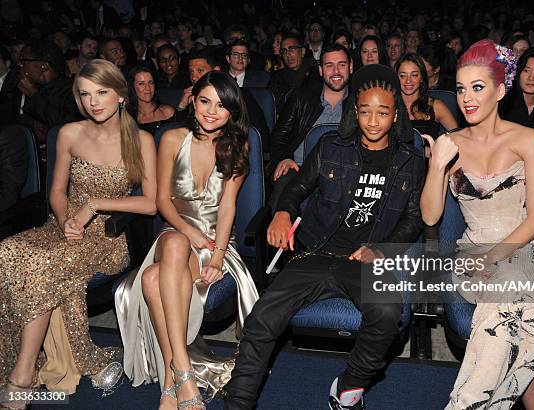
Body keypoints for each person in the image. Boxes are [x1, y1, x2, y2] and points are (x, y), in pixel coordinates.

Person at [224, 64, 425, 409]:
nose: (373, 121)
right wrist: (283, 212)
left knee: (389, 311)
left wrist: (381, 249)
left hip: (362, 259)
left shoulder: (410, 161)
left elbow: (413, 218)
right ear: (354, 112)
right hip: (315, 253)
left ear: (396, 116)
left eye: (382, 113)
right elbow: (297, 188)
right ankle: (238, 403)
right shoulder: (331, 147)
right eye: (365, 112)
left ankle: (349, 386)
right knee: (262, 317)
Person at [419, 39, 534, 409]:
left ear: (500, 90)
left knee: (514, 302)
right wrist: (436, 166)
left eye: (477, 87)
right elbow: (430, 216)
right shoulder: (450, 143)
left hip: (525, 247)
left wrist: (495, 256)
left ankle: (467, 403)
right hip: (473, 254)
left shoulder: (527, 139)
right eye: (462, 88)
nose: (467, 98)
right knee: (529, 311)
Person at [0, 58, 157, 407]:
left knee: (40, 266)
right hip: (63, 226)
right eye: (85, 94)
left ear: (120, 95)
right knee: (7, 250)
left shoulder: (140, 139)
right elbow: (56, 191)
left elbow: (150, 204)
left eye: (102, 92)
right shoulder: (69, 133)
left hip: (109, 237)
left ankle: (20, 378)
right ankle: (17, 357)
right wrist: (65, 220)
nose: (93, 101)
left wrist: (94, 206)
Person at [115, 71, 259, 410]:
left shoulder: (239, 144)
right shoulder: (171, 138)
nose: (211, 111)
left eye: (221, 106)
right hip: (175, 230)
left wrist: (219, 256)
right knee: (178, 242)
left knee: (152, 279)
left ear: (232, 111)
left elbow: (227, 208)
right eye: (205, 101)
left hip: (214, 242)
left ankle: (170, 384)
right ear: (192, 101)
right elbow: (162, 201)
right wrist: (190, 230)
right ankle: (183, 371)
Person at [267, 44, 352, 210]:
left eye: (341, 65)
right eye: (329, 66)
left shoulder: (361, 103)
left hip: (346, 172)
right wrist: (285, 157)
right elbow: (279, 136)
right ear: (320, 70)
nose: (336, 71)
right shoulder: (301, 98)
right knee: (283, 190)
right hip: (299, 169)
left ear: (351, 67)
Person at [396, 53, 458, 137]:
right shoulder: (390, 106)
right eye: (403, 76)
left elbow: (458, 136)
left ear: (421, 77)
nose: (408, 81)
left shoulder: (435, 106)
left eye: (414, 75)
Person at [126, 66, 176, 135]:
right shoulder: (128, 118)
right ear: (132, 87)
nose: (148, 88)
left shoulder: (167, 112)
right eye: (141, 84)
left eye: (151, 82)